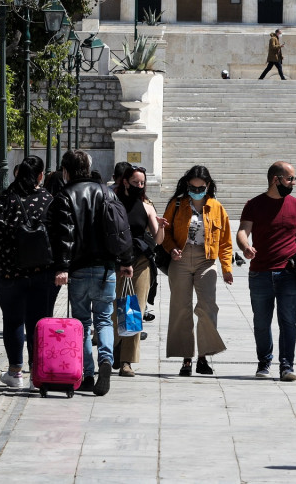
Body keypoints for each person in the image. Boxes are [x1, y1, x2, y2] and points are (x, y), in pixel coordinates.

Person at [49, 150, 134, 396]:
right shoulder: (107, 192)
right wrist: (126, 260)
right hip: (106, 267)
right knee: (104, 319)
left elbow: (64, 234)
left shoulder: (65, 195)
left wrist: (62, 266)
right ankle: (106, 360)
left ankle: (88, 373)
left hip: (78, 269)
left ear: (66, 171)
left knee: (82, 323)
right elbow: (121, 228)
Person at [236, 161, 296, 381]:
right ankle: (264, 362)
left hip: (289, 274)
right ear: (275, 179)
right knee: (261, 322)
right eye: (290, 178)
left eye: (293, 178)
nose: (293, 183)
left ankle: (286, 366)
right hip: (260, 272)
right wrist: (246, 247)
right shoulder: (254, 204)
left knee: (288, 321)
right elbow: (243, 231)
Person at [0, 155, 60, 388]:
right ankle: (36, 375)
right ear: (41, 175)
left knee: (12, 321)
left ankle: (14, 372)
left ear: (18, 172)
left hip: (10, 272)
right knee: (38, 323)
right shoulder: (48, 200)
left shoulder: (7, 198)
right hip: (41, 272)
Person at [162, 165, 233, 376]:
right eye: (192, 187)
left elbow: (226, 242)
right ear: (187, 185)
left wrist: (226, 267)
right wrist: (172, 248)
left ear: (208, 185)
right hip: (181, 258)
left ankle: (203, 357)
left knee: (208, 307)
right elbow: (165, 231)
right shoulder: (177, 204)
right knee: (180, 308)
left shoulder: (217, 207)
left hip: (206, 260)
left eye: (200, 187)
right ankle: (186, 359)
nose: (196, 190)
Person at [111, 165, 167, 377]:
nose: (140, 186)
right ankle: (114, 348)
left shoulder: (146, 206)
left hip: (140, 264)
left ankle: (127, 361)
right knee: (115, 311)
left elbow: (158, 240)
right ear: (125, 182)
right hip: (116, 263)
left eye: (142, 183)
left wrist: (160, 226)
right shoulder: (112, 202)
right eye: (136, 182)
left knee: (133, 310)